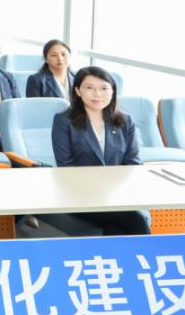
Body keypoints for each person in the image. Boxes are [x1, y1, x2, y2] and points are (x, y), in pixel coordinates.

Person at [51, 66, 150, 236]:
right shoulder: (64, 120)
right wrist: (99, 189)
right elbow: (66, 166)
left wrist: (115, 189)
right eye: (89, 88)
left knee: (116, 228)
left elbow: (132, 162)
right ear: (78, 91)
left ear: (113, 92)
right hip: (80, 195)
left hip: (117, 193)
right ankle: (147, 253)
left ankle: (115, 254)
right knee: (135, 220)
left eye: (104, 88)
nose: (97, 94)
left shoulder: (124, 121)